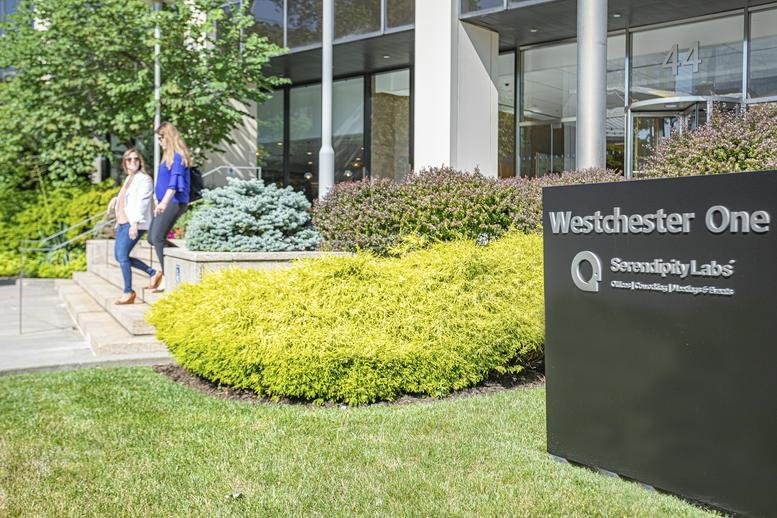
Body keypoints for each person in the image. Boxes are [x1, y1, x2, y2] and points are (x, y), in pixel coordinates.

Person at [146, 122, 191, 290]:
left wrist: (164, 202)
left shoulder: (178, 156)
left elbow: (174, 183)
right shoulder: (168, 157)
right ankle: (179, 257)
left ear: (168, 137)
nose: (159, 142)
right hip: (165, 202)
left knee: (157, 238)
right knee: (152, 238)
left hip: (173, 202)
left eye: (161, 138)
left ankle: (168, 276)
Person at [110, 148, 157, 305]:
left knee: (122, 257)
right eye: (129, 159)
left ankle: (128, 292)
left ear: (140, 161)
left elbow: (142, 202)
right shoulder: (129, 178)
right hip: (123, 222)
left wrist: (135, 224)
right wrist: (116, 199)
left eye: (136, 159)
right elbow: (128, 197)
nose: (133, 162)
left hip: (134, 223)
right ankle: (153, 273)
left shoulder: (144, 179)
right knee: (119, 256)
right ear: (125, 163)